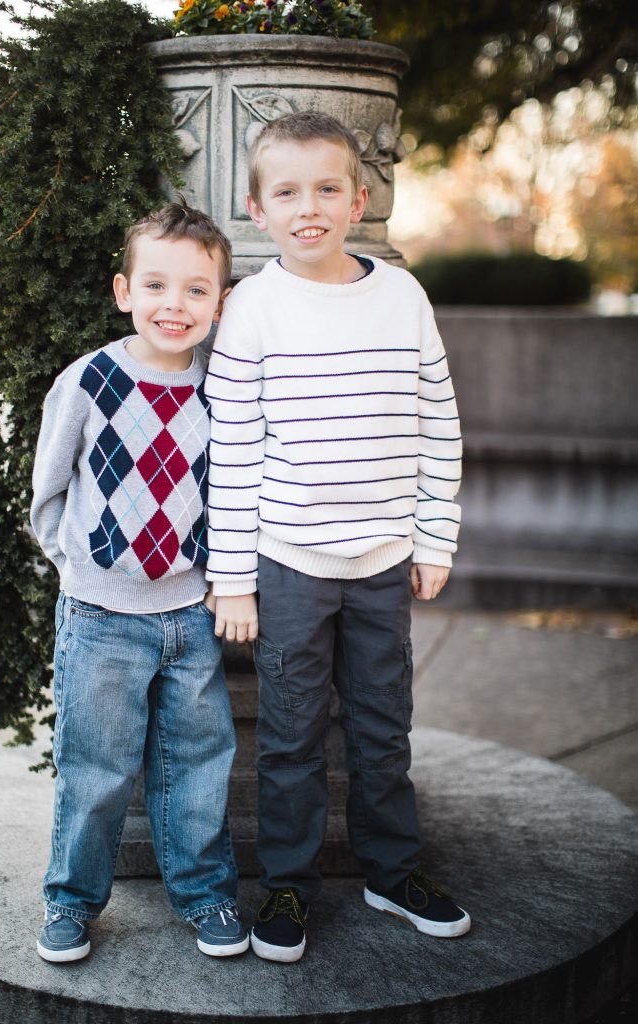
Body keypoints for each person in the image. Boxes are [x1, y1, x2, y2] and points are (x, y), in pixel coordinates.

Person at [205, 112, 471, 963]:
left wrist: (433, 541)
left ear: (359, 199)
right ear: (257, 209)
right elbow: (234, 452)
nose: (307, 206)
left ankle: (393, 873)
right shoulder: (251, 308)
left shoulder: (401, 294)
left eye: (326, 188)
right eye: (287, 192)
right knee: (288, 734)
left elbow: (439, 421)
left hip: (385, 560)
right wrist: (235, 579)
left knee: (381, 725)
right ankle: (287, 882)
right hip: (287, 564)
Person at [30, 198, 249, 962]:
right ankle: (70, 902)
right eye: (156, 286)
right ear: (125, 292)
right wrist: (75, 568)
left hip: (189, 615)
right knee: (94, 768)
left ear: (220, 303)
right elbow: (48, 490)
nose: (174, 305)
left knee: (197, 765)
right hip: (98, 617)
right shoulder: (90, 381)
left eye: (195, 290)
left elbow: (229, 494)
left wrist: (224, 579)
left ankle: (206, 895)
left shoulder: (221, 389)